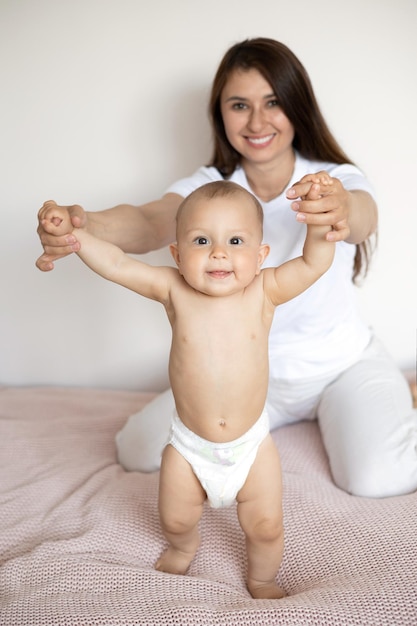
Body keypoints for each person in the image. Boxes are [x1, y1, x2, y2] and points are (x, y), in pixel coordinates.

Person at [36, 37, 417, 499]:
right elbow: (151, 220)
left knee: (378, 478)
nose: (257, 121)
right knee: (136, 449)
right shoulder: (208, 190)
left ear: (298, 105)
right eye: (239, 105)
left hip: (341, 367)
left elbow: (361, 218)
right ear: (220, 113)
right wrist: (84, 224)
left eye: (273, 102)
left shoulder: (333, 177)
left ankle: (396, 395)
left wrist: (338, 206)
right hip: (249, 381)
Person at [43, 179, 335, 598]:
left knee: (267, 527)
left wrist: (319, 219)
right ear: (178, 255)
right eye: (202, 240)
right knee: (176, 517)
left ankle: (262, 579)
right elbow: (117, 264)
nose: (219, 252)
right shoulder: (173, 288)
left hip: (250, 447)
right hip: (190, 445)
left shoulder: (264, 291)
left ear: (260, 256)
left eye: (236, 241)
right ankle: (184, 546)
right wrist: (75, 237)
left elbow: (313, 263)